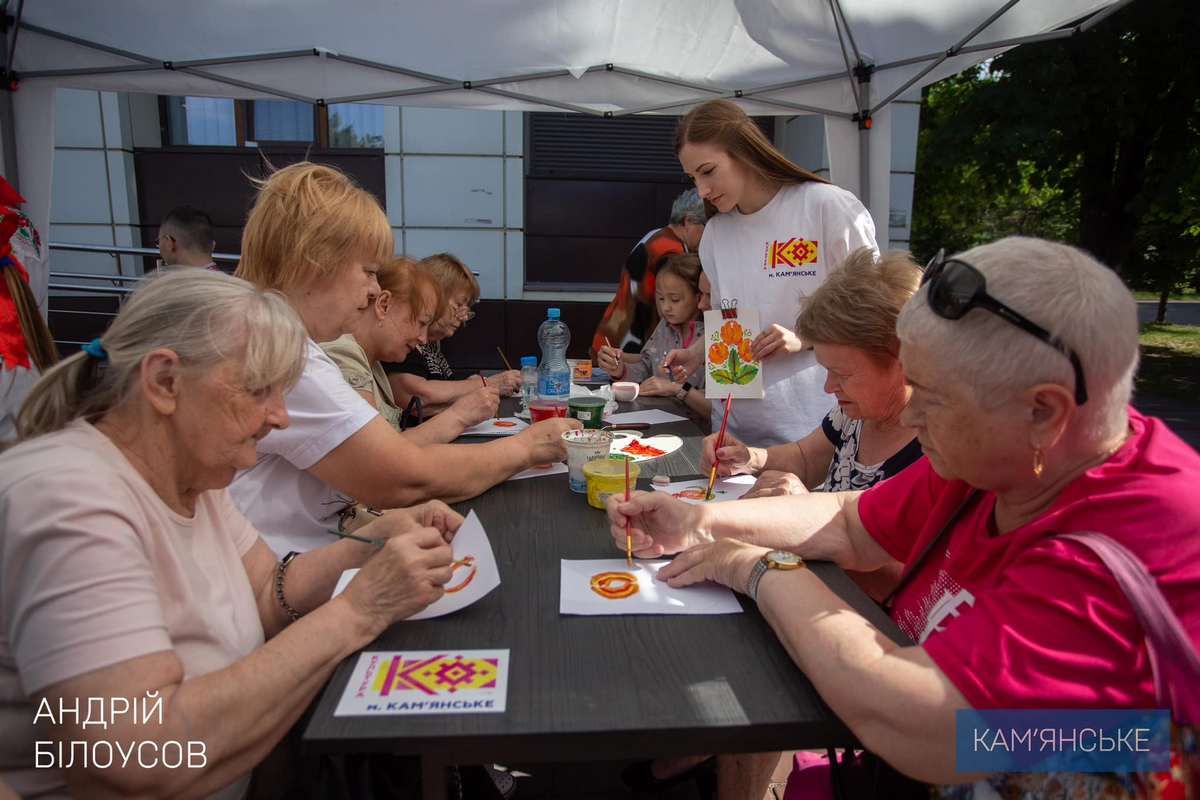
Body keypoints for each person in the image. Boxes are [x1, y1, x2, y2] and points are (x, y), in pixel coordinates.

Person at [608, 237, 1200, 799]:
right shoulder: (1008, 459)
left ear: (1044, 411)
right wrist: (697, 521)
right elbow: (850, 521)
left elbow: (935, 728)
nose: (913, 419)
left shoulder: (1143, 539)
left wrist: (760, 567)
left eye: (933, 398)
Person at [0, 269, 460, 800]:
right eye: (259, 388)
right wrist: (361, 609)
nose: (280, 417)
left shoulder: (193, 474)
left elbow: (269, 591)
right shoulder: (68, 501)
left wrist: (370, 541)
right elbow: (134, 754)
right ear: (165, 383)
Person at [231, 162, 577, 555]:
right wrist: (529, 446)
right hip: (284, 578)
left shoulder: (269, 335)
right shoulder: (288, 355)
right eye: (368, 272)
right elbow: (401, 476)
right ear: (315, 259)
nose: (373, 290)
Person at [670, 99, 878, 447]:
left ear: (745, 151)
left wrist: (804, 338)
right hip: (733, 434)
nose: (702, 190)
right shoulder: (717, 234)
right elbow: (731, 323)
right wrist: (699, 352)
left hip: (815, 433)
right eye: (693, 177)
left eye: (708, 171)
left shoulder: (826, 207)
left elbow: (876, 313)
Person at [700, 248, 922, 499]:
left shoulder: (934, 453)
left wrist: (805, 504)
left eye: (842, 374)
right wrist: (748, 458)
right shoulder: (854, 415)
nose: (829, 386)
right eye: (827, 370)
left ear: (904, 361)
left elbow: (879, 532)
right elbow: (805, 458)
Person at [321, 256, 500, 442]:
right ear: (384, 305)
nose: (423, 339)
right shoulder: (344, 355)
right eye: (421, 323)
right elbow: (379, 454)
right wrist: (459, 415)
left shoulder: (373, 364)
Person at [386, 253, 521, 419]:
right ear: (434, 294)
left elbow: (439, 394)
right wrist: (486, 384)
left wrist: (472, 386)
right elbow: (415, 398)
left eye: (467, 308)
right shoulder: (406, 341)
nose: (464, 317)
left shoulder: (432, 343)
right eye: (458, 305)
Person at [590, 188, 707, 359]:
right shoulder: (673, 253)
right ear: (688, 222)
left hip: (614, 336)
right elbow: (673, 313)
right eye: (707, 226)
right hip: (631, 351)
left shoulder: (655, 235)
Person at [596, 253, 706, 396]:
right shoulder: (664, 328)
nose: (665, 307)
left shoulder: (710, 335)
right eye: (660, 298)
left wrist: (679, 391)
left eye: (675, 299)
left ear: (698, 297)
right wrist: (620, 370)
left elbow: (713, 401)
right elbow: (647, 366)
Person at [157, 205, 219, 270]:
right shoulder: (227, 279)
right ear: (213, 245)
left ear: (169, 244)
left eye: (158, 241)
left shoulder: (165, 279)